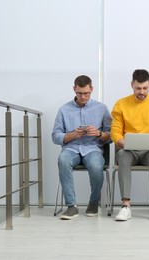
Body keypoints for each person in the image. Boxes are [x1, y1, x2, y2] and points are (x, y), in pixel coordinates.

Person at [111, 69, 149, 221]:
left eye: (145, 88)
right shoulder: (121, 104)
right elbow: (115, 133)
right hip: (128, 150)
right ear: (132, 85)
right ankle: (125, 206)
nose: (142, 92)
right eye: (138, 88)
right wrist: (124, 142)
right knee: (122, 157)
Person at [52, 75, 111, 220]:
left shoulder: (101, 108)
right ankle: (71, 206)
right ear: (74, 89)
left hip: (93, 148)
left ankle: (93, 203)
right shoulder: (64, 109)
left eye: (86, 93)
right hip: (71, 149)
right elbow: (55, 136)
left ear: (92, 89)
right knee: (63, 160)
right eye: (79, 93)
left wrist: (98, 133)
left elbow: (111, 136)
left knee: (96, 165)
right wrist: (71, 135)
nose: (83, 97)